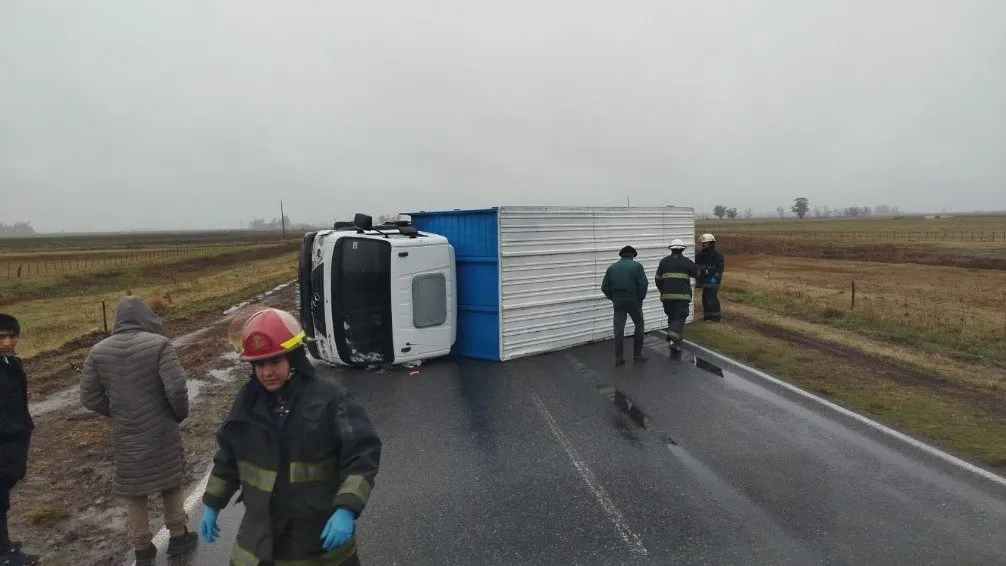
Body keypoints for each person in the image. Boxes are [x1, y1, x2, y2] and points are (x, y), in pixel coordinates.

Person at [199, 308, 382, 565]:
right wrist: (212, 504)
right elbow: (229, 457)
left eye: (275, 361)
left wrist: (347, 508)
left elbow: (363, 454)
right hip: (259, 542)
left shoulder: (330, 401)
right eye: (259, 364)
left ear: (294, 358)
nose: (266, 372)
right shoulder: (247, 404)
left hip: (316, 543)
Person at [80, 296, 197, 565]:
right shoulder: (159, 345)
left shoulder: (98, 351)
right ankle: (178, 536)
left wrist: (117, 411)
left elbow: (88, 396)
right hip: (162, 429)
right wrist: (177, 414)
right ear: (147, 317)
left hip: (126, 432)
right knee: (170, 481)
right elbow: (176, 388)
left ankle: (142, 549)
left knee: (134, 490)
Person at [0, 314, 39, 566]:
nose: (8, 342)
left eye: (12, 336)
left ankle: (4, 544)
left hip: (12, 441)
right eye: (2, 336)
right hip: (4, 439)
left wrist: (24, 427)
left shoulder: (11, 364)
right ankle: (3, 555)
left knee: (2, 497)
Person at [601, 246, 649, 366]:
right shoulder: (637, 266)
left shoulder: (612, 267)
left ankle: (619, 358)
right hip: (633, 300)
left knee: (619, 330)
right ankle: (637, 356)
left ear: (621, 255)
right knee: (639, 324)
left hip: (618, 302)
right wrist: (640, 299)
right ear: (632, 255)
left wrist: (614, 298)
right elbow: (643, 284)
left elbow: (604, 287)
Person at [655, 240, 699, 358]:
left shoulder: (663, 262)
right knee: (680, 316)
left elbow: (657, 279)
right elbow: (697, 273)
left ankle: (675, 343)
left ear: (671, 249)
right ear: (682, 250)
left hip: (667, 297)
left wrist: (663, 290)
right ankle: (672, 339)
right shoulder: (686, 262)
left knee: (672, 317)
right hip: (682, 297)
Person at [696, 233, 725, 321]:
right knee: (705, 298)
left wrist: (715, 278)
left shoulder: (718, 255)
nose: (703, 244)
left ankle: (715, 317)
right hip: (705, 280)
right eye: (703, 243)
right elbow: (695, 262)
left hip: (713, 281)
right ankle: (707, 316)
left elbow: (720, 268)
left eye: (705, 243)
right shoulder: (701, 254)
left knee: (711, 298)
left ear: (710, 243)